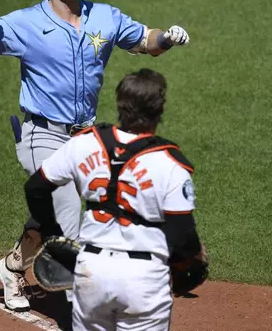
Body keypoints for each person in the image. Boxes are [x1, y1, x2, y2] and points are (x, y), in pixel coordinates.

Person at [0, 0, 190, 312]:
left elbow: (146, 41)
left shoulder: (104, 17)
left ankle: (13, 267)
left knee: (64, 205)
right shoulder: (26, 23)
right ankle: (86, 305)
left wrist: (168, 38)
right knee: (69, 214)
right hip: (42, 133)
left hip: (85, 136)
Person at [24, 68, 208, 330]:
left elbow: (36, 188)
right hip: (144, 280)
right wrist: (187, 264)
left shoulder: (84, 143)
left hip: (91, 273)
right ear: (161, 109)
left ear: (120, 104)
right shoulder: (170, 163)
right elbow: (182, 233)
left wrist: (52, 235)